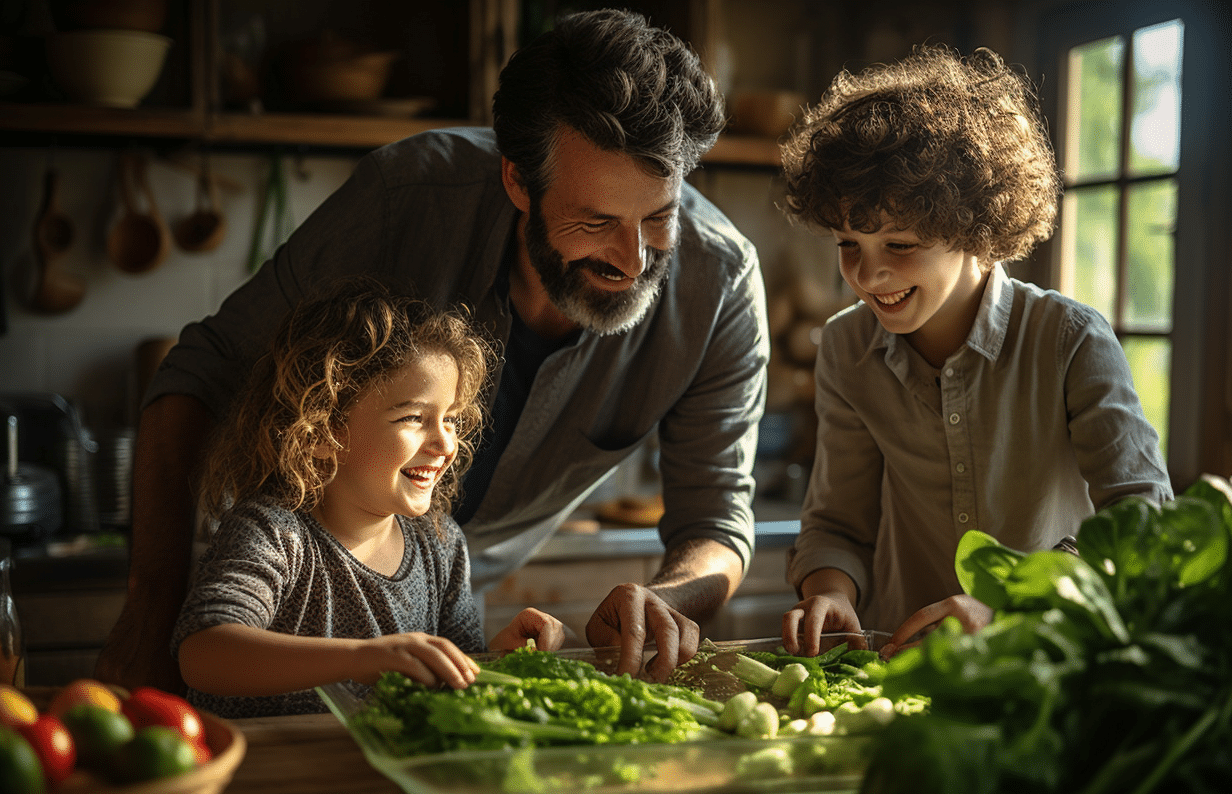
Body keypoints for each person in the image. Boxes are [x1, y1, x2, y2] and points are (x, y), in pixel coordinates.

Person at [96, 8, 769, 693]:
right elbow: (203, 373)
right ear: (517, 183)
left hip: (451, 593)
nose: (633, 260)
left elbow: (716, 520)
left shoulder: (720, 285)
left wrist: (670, 600)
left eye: (659, 217)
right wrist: (152, 607)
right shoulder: (406, 198)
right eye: (595, 222)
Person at [776, 45, 1172, 658]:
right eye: (848, 243)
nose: (870, 274)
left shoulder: (1070, 341)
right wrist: (831, 592)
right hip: (902, 670)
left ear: (978, 230)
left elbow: (1141, 519)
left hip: (1048, 667)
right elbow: (838, 525)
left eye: (900, 245)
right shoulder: (847, 347)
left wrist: (1012, 599)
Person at [171, 280, 566, 718]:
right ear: (321, 430)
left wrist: (499, 657)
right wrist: (361, 659)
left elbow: (455, 675)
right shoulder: (275, 533)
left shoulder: (439, 543)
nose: (445, 443)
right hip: (272, 772)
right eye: (414, 417)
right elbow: (203, 652)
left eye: (451, 419)